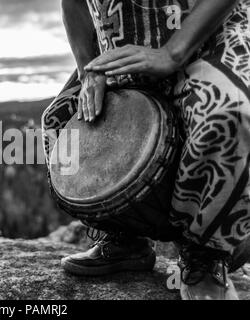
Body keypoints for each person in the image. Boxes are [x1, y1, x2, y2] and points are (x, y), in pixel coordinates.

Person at [42, 0, 250, 300]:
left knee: (227, 112)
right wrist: (87, 68)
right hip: (123, 42)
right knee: (62, 125)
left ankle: (206, 255)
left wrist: (171, 53)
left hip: (207, 35)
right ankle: (125, 239)